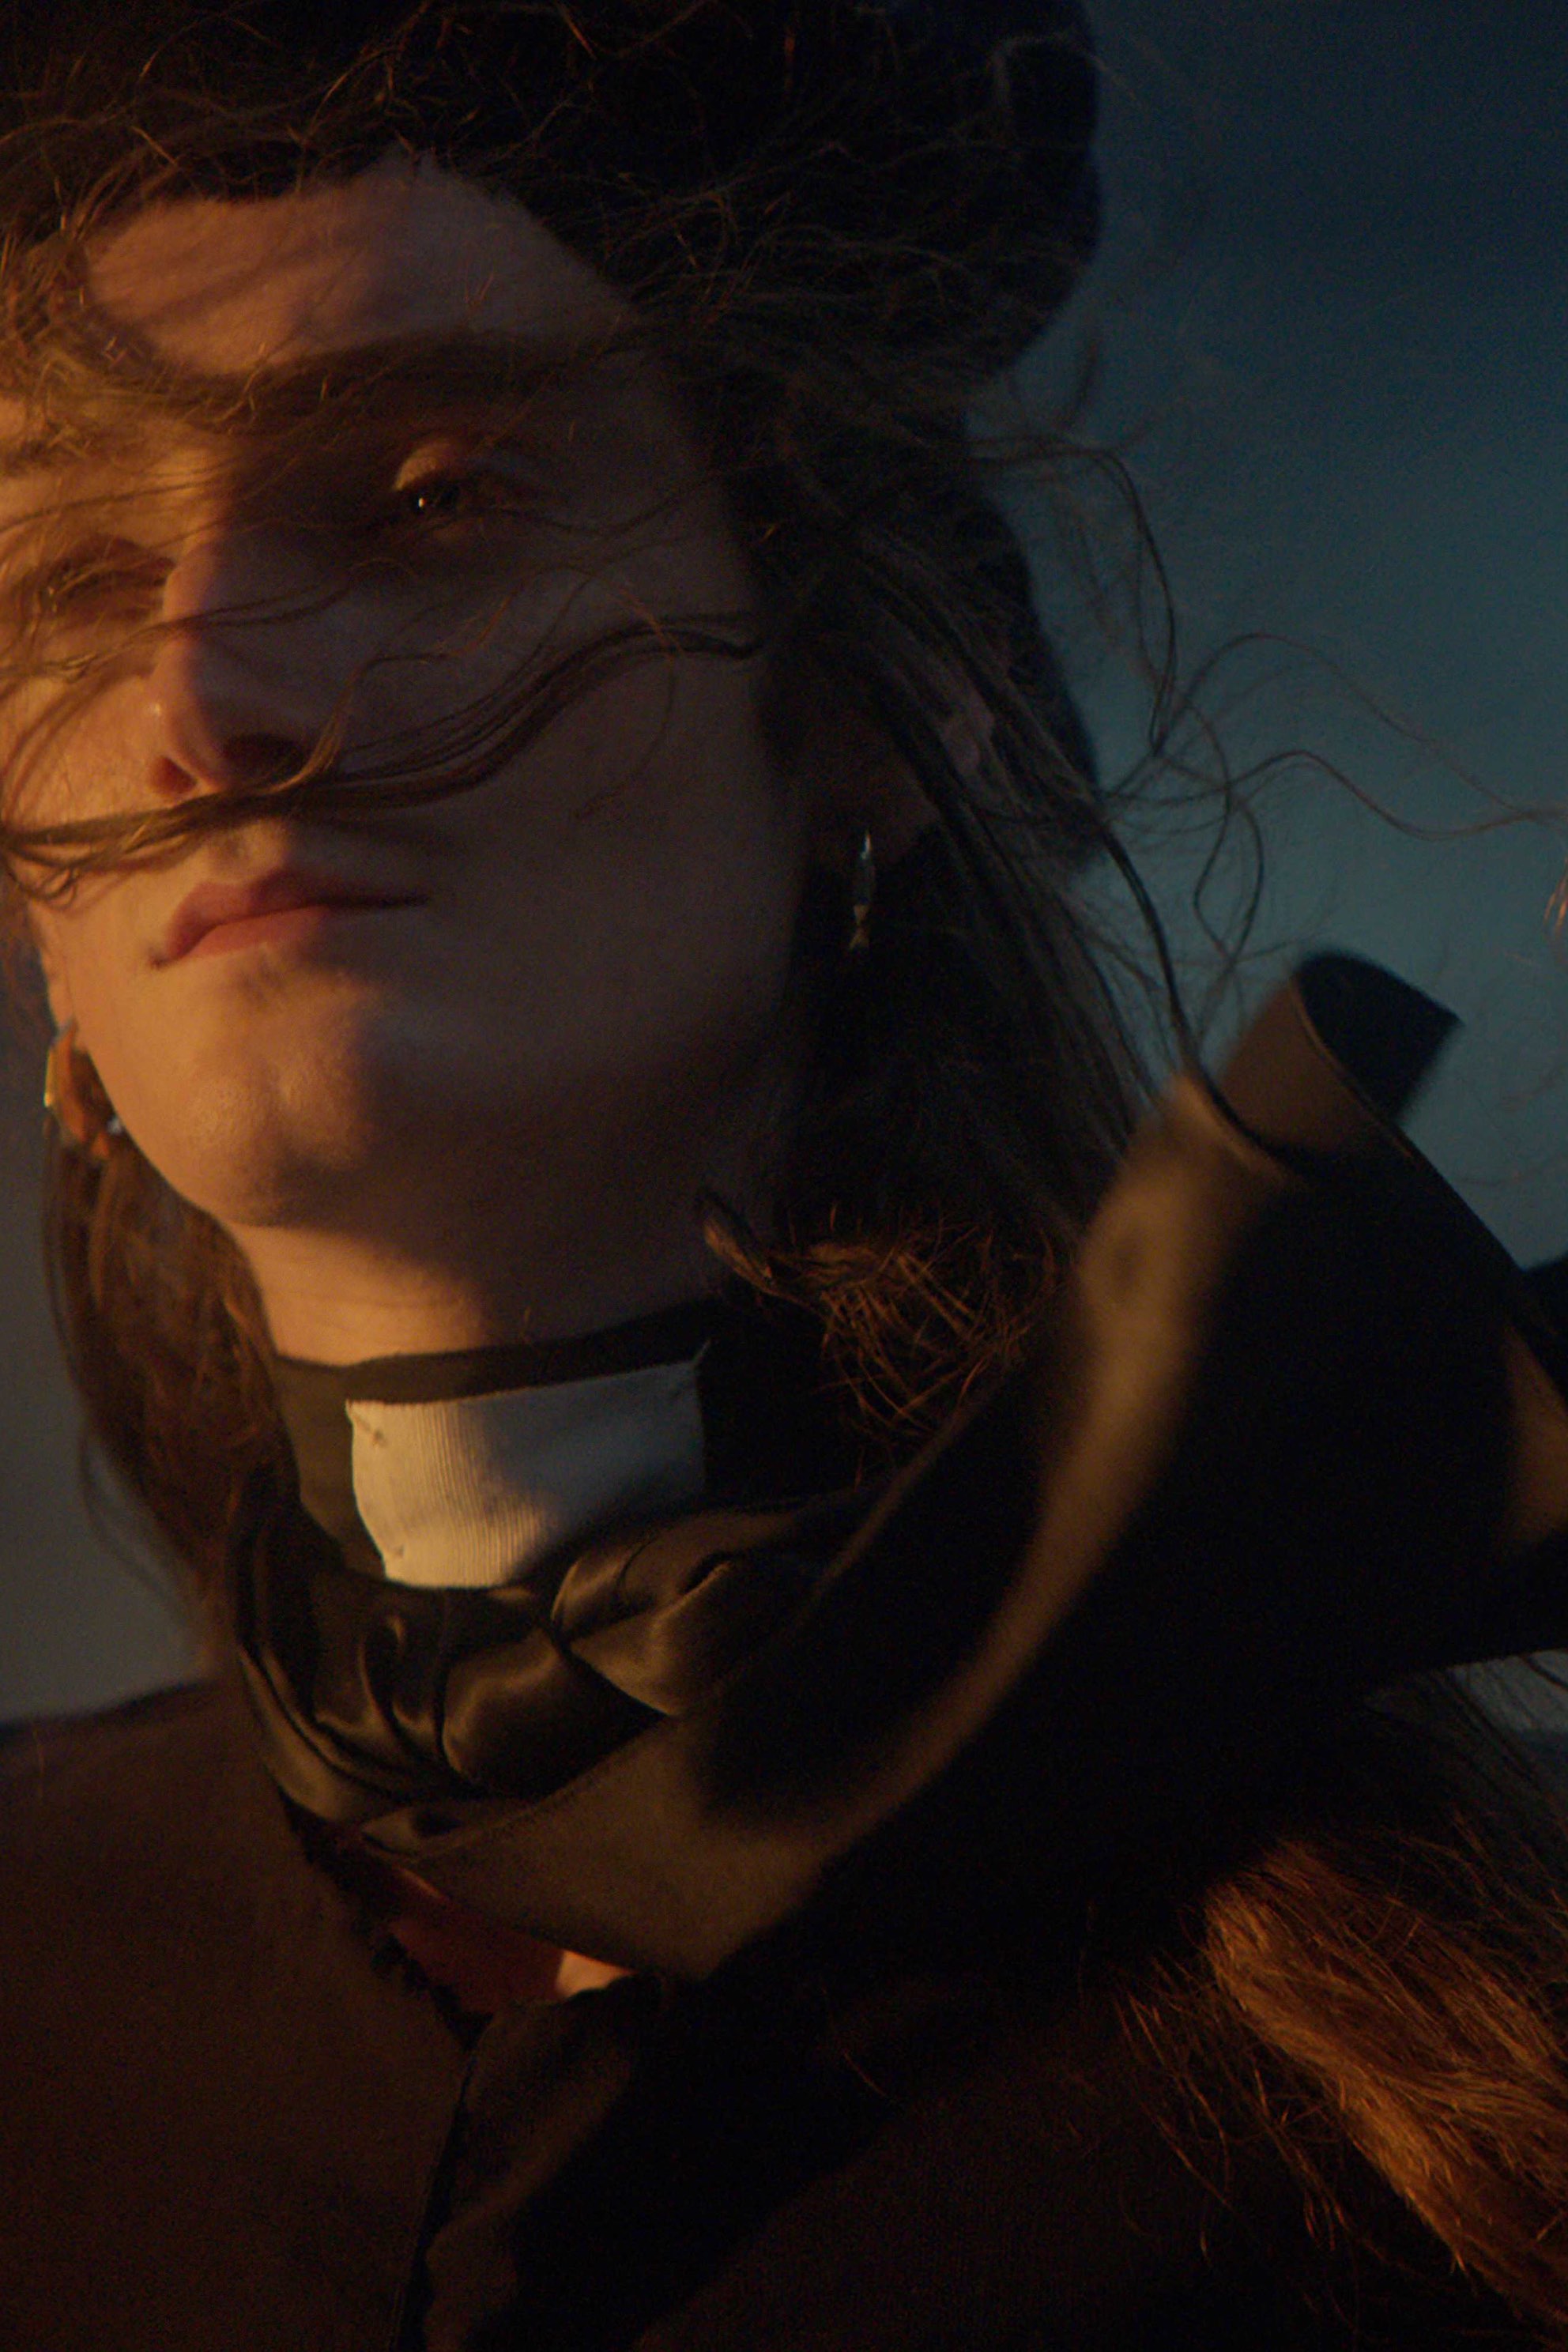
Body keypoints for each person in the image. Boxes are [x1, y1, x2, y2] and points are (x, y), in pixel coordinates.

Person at [4, 4, 1568, 2346]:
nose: (199, 691)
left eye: (432, 500)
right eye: (66, 577)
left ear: (867, 707)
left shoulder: (1443, 2033)